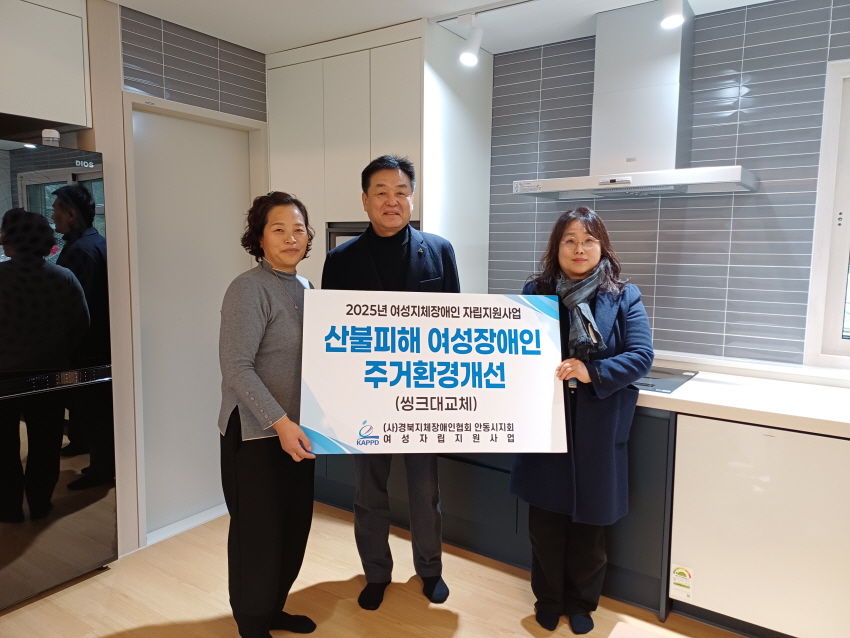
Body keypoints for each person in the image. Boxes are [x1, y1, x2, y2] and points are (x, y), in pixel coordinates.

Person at [322, 155, 460, 610]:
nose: (391, 200)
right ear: (365, 200)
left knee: (425, 491)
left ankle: (430, 569)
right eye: (380, 191)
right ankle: (376, 572)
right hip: (366, 396)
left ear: (412, 198)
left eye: (401, 191)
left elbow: (456, 328)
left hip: (423, 393)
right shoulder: (340, 260)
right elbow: (331, 337)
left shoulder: (439, 251)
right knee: (369, 491)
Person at [511, 206, 653, 634]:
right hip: (547, 421)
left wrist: (592, 370)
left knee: (590, 525)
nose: (579, 248)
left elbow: (641, 356)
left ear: (601, 247)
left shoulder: (623, 295)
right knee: (546, 522)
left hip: (598, 423)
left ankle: (581, 604)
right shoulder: (536, 291)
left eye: (588, 240)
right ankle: (548, 599)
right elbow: (515, 349)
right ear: (556, 247)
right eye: (570, 240)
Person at [218, 192, 318, 638]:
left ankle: (274, 609)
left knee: (292, 529)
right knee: (257, 537)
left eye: (298, 229)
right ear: (259, 238)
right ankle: (253, 623)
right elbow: (237, 367)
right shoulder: (248, 288)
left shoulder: (308, 289)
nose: (291, 237)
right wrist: (280, 423)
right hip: (256, 434)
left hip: (299, 433)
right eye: (279, 229)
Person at [0, 209, 89, 521]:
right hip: (50, 373)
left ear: (9, 238)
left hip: (3, 376)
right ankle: (40, 502)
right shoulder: (63, 277)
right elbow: (82, 323)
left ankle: (8, 508)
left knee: (3, 446)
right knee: (45, 443)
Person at [51, 184, 114, 490]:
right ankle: (89, 451)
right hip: (103, 342)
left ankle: (102, 469)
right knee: (96, 408)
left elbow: (76, 308)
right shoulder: (99, 242)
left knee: (94, 410)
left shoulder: (79, 251)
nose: (53, 217)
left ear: (71, 214)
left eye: (56, 211)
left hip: (87, 346)